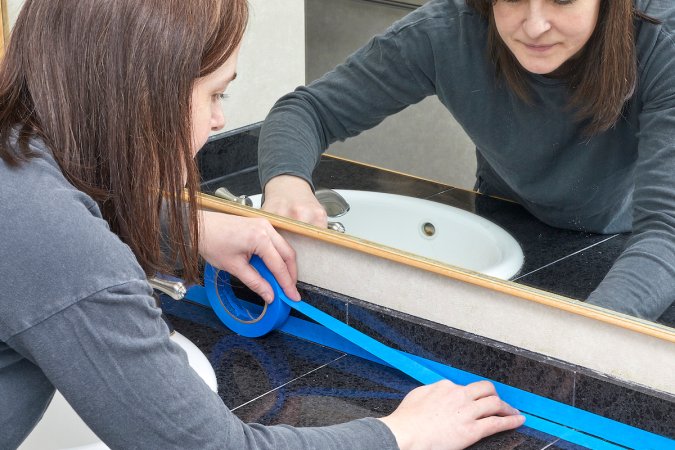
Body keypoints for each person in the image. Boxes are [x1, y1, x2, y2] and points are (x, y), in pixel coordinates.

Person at [0, 1, 525, 449]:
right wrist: (398, 434)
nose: (220, 119)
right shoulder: (57, 241)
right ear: (140, 96)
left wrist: (185, 225)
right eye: (215, 94)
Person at [258, 0, 675, 321]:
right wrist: (287, 182)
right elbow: (307, 111)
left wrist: (587, 335)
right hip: (509, 222)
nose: (533, 25)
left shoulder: (662, 40)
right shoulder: (447, 30)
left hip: (640, 254)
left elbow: (667, 232)